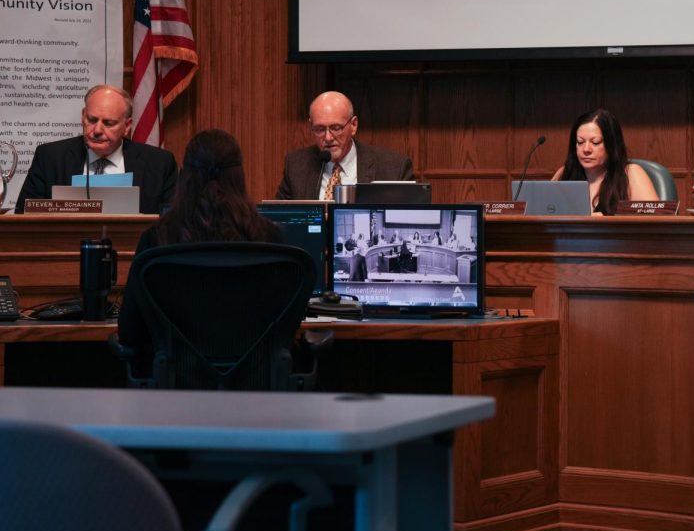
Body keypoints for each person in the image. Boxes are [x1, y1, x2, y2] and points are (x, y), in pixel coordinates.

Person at [117, 129, 281, 356]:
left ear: (185, 176)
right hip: (257, 381)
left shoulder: (157, 240)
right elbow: (285, 326)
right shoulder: (269, 238)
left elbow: (129, 331)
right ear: (239, 176)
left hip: (177, 382)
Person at [16, 84, 178, 214]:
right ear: (83, 116)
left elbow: (172, 222)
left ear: (127, 126)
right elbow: (24, 213)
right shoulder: (50, 158)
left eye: (108, 123)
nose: (97, 130)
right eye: (92, 120)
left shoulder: (159, 164)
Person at [275, 90, 414, 200]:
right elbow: (280, 223)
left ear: (353, 125)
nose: (328, 137)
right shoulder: (296, 166)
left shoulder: (393, 168)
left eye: (336, 128)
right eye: (320, 129)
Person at [551, 108, 658, 215]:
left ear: (611, 145)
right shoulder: (565, 173)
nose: (586, 149)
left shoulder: (631, 173)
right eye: (580, 142)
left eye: (595, 142)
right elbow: (545, 213)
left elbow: (656, 217)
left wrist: (608, 219)